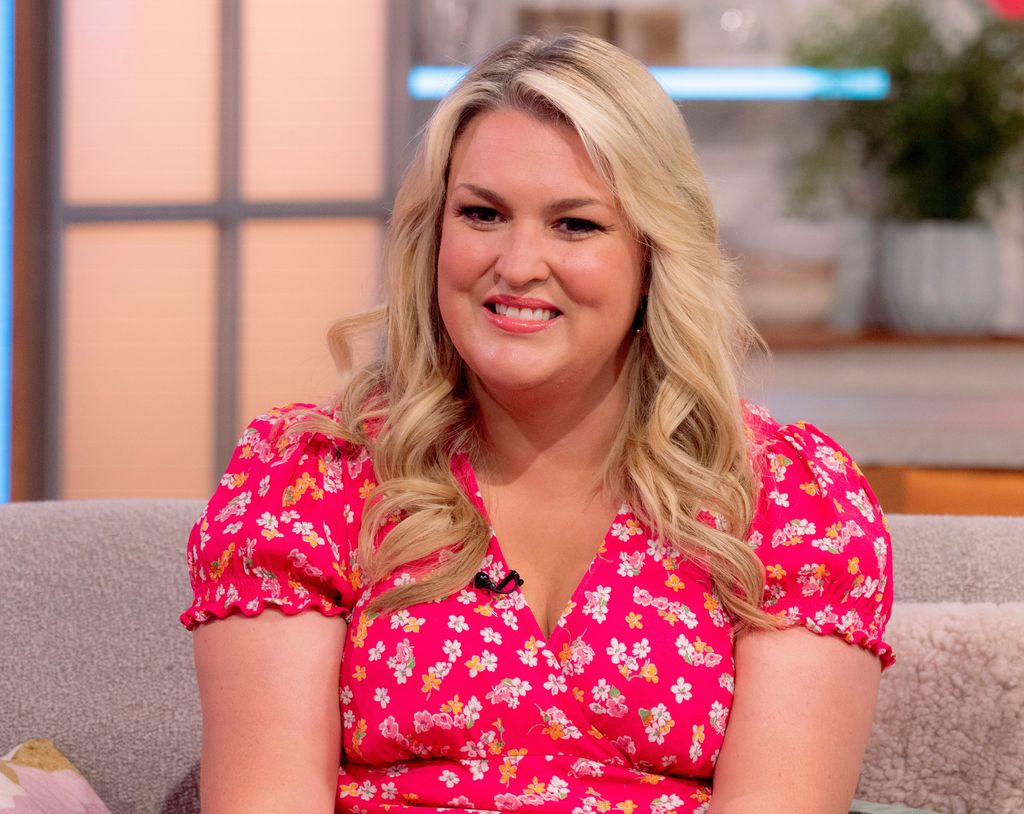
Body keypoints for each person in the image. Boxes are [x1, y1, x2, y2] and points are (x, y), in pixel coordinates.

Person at [182, 32, 893, 814]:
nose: (518, 264)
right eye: (482, 214)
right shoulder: (312, 476)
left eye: (575, 225)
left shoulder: (789, 501)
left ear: (653, 257)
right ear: (435, 236)